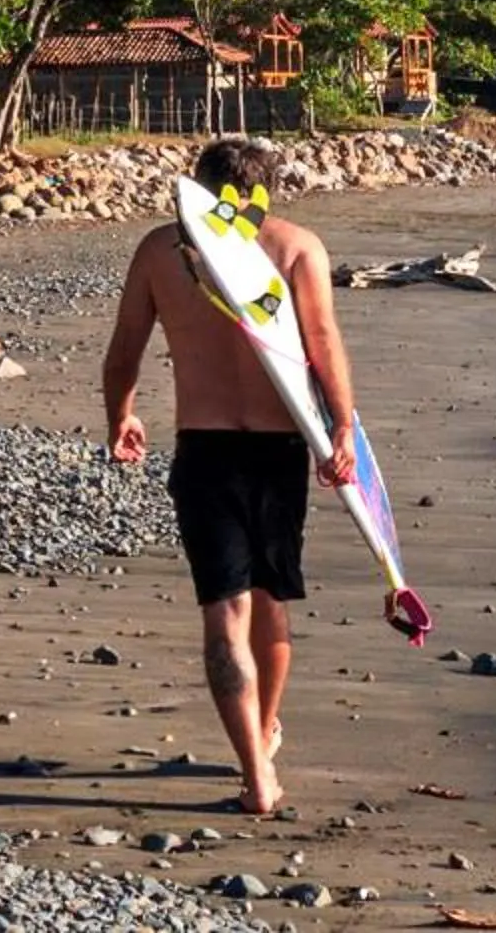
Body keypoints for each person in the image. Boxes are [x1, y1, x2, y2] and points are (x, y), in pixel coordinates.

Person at [102, 139, 358, 817]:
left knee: (226, 612)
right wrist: (342, 428)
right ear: (268, 188)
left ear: (198, 187)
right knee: (271, 603)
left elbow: (125, 349)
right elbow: (322, 343)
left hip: (204, 447)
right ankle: (263, 738)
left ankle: (255, 771)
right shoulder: (296, 247)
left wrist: (121, 416)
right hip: (280, 446)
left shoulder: (162, 252)